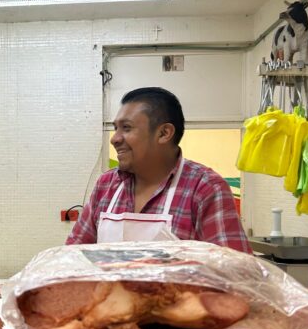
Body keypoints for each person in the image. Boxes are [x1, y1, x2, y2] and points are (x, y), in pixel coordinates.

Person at [66, 87, 251, 253]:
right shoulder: (106, 185)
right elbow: (73, 255)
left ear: (164, 133)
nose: (114, 139)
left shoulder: (205, 188)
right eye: (116, 128)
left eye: (126, 128)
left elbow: (235, 272)